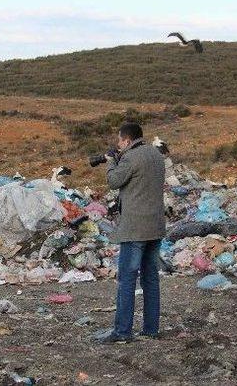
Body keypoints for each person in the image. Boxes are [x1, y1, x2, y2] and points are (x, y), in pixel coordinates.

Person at [99, 122, 165, 344]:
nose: (118, 145)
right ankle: (151, 329)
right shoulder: (155, 154)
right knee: (150, 279)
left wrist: (110, 163)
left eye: (119, 141)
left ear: (126, 140)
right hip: (155, 226)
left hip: (134, 228)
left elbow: (113, 181)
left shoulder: (130, 158)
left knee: (127, 280)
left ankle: (122, 331)